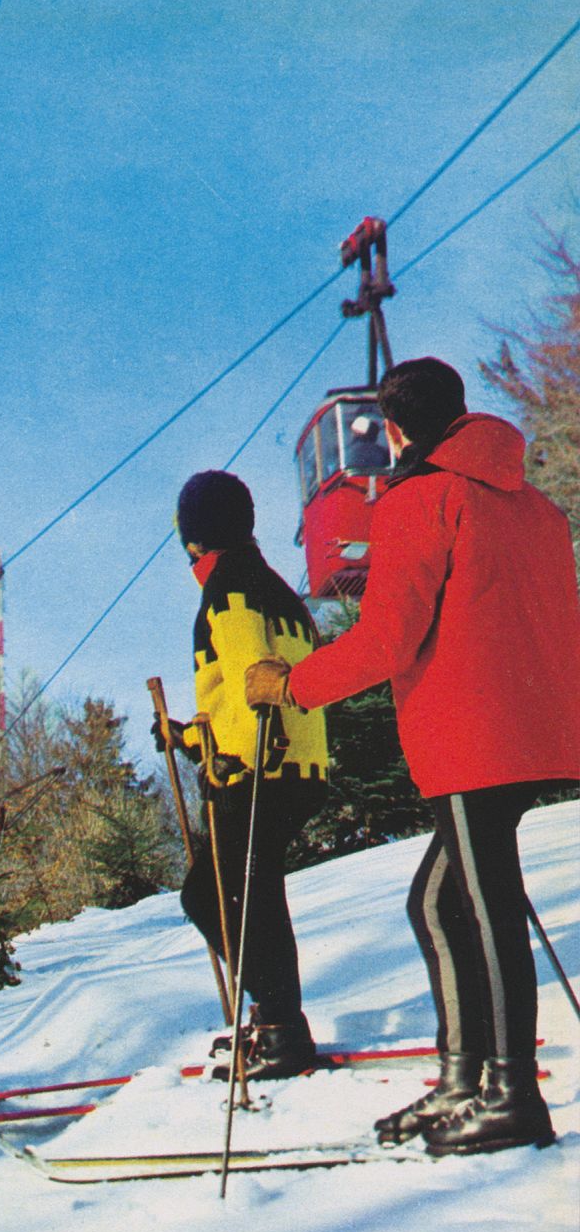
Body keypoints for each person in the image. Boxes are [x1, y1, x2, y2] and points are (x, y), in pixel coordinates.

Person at [246, 356, 580, 1155]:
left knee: (485, 902)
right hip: (535, 722)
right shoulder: (533, 505)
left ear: (393, 430)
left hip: (470, 732)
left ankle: (510, 1095)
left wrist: (290, 686)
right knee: (440, 901)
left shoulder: (417, 499)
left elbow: (387, 638)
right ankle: (466, 1080)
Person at [156, 470, 329, 1079]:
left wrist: (235, 755)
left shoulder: (227, 589)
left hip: (260, 765)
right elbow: (244, 693)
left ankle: (281, 1026)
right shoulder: (277, 587)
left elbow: (255, 679)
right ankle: (276, 1020)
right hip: (293, 762)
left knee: (214, 897)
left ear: (194, 539)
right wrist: (189, 736)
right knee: (250, 894)